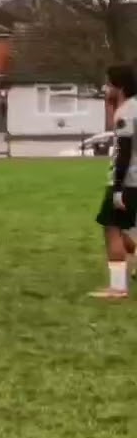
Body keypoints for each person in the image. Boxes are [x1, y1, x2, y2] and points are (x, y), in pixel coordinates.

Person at [91, 63, 137, 299]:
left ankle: (117, 288)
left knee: (112, 228)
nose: (105, 87)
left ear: (118, 86)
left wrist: (118, 188)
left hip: (128, 180)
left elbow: (125, 151)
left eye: (108, 83)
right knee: (128, 228)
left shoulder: (126, 112)